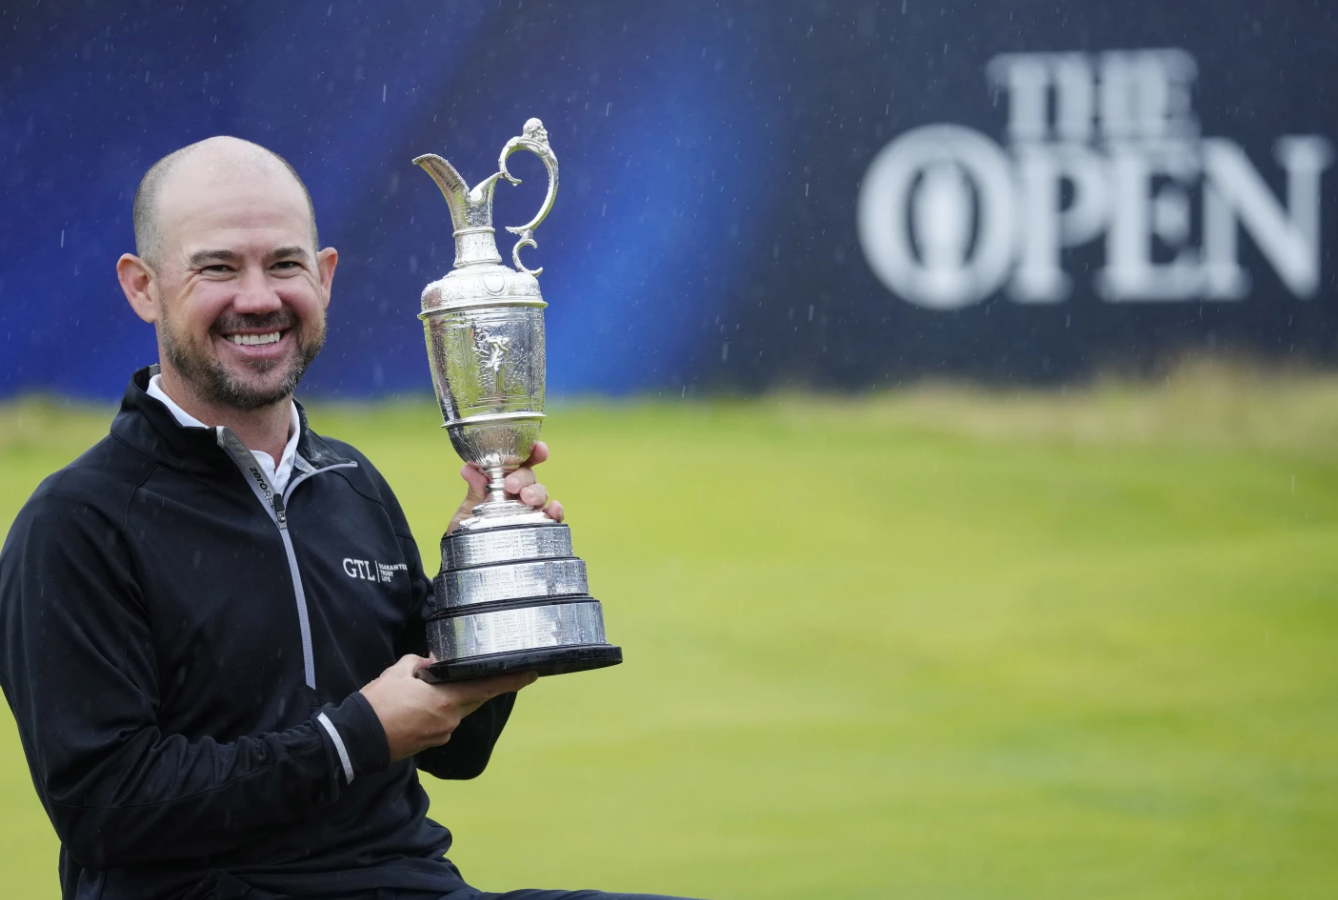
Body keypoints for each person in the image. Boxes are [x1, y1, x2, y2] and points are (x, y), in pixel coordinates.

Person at [0, 137, 694, 900]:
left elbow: (453, 751)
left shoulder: (352, 485)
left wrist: (483, 591)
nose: (258, 297)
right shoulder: (74, 525)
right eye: (218, 267)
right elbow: (107, 808)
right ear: (143, 287)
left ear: (325, 277)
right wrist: (352, 736)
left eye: (285, 264)